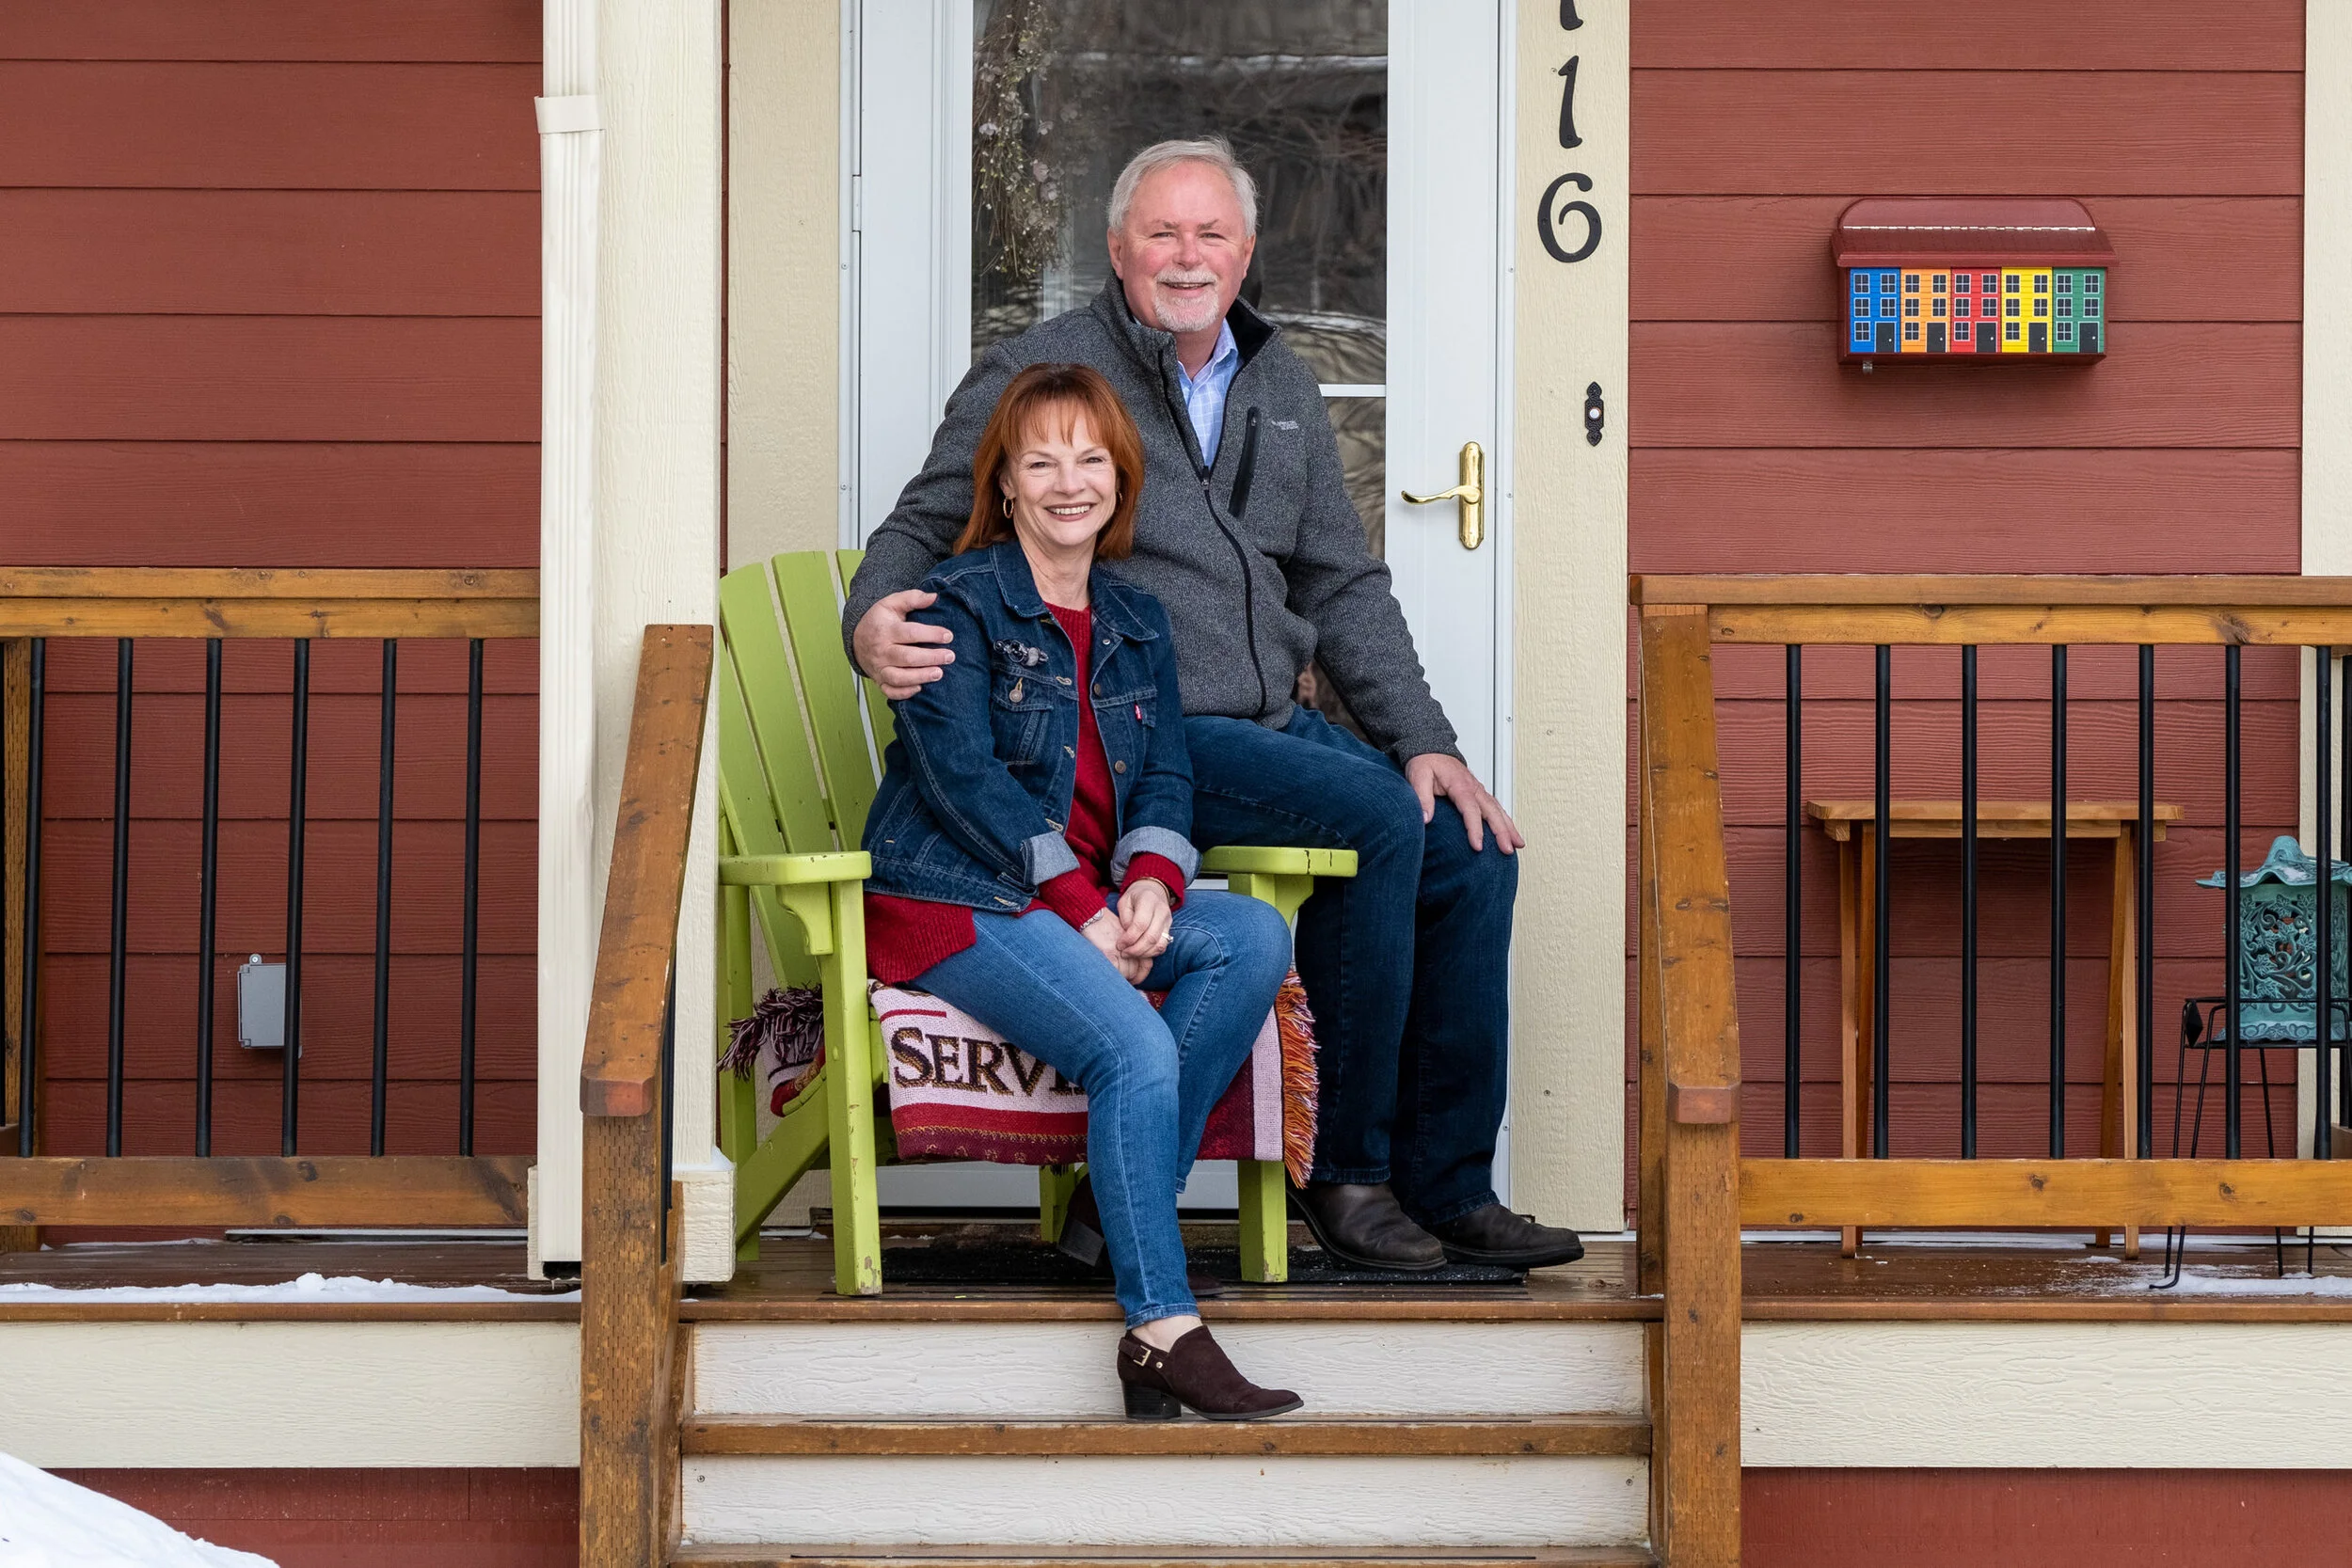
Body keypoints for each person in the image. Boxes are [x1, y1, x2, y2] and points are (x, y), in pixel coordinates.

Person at [845, 138, 1583, 1274]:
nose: (1186, 257)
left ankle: (1447, 1184)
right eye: (1161, 233)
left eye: (1210, 234)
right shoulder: (1041, 368)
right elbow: (922, 519)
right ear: (1116, 248)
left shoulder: (1281, 384)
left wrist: (1424, 740)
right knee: (1376, 817)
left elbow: (1340, 580)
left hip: (1272, 720)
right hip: (1144, 724)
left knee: (1468, 844)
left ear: (1244, 252)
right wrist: (869, 621)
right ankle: (1342, 1170)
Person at [862, 360, 1300, 1420]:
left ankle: (1117, 1201)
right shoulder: (957, 604)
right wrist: (1086, 908)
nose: (1069, 483)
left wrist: (1150, 882)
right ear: (1004, 483)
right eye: (1042, 462)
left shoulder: (1138, 618)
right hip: (958, 897)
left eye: (1091, 459)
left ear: (1120, 479)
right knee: (1133, 1046)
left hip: (1084, 899)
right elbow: (963, 782)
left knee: (1250, 934)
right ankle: (1160, 1324)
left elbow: (1166, 776)